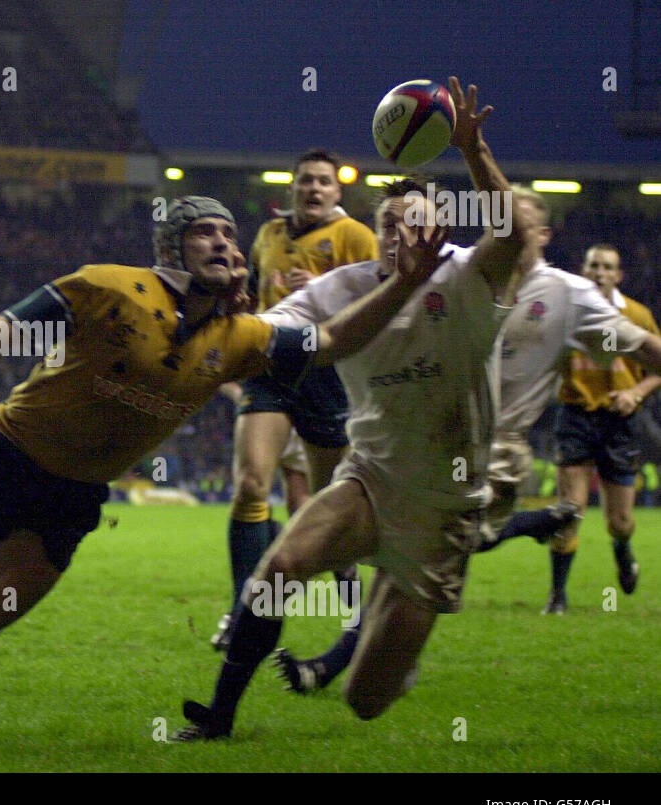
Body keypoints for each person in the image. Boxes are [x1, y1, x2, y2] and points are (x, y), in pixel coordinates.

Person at [0, 192, 447, 730]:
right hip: (5, 456)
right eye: (207, 231)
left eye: (231, 234)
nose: (224, 243)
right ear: (171, 247)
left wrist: (405, 281)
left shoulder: (240, 337)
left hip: (70, 499)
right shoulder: (107, 286)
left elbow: (333, 342)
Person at [176, 79, 571, 741]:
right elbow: (273, 334)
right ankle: (219, 716)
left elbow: (511, 230)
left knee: (364, 699)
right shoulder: (344, 288)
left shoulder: (469, 278)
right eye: (387, 224)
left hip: (446, 507)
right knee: (277, 572)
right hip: (369, 478)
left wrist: (473, 150)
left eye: (412, 221)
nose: (399, 233)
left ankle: (395, 641)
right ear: (373, 233)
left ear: (437, 230)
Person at [275, 186, 661, 690]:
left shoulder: (568, 295)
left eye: (517, 219)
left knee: (405, 551)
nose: (505, 227)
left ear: (540, 233)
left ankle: (344, 662)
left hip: (492, 453)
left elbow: (641, 346)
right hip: (424, 441)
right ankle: (377, 654)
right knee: (396, 555)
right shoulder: (458, 275)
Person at [215, 150, 377, 649]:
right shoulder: (267, 236)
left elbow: (380, 299)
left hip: (325, 374)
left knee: (326, 507)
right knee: (249, 485)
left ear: (337, 191)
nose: (313, 189)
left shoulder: (356, 237)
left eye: (323, 182)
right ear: (293, 187)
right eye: (305, 180)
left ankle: (355, 617)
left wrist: (328, 292)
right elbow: (260, 298)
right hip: (271, 365)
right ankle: (244, 610)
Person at [541, 243, 661, 612]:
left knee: (620, 521)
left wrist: (637, 393)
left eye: (607, 267)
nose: (599, 272)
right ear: (584, 269)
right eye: (593, 265)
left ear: (618, 275)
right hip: (576, 415)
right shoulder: (566, 312)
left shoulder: (637, 315)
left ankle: (622, 550)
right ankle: (557, 596)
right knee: (570, 509)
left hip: (620, 421)